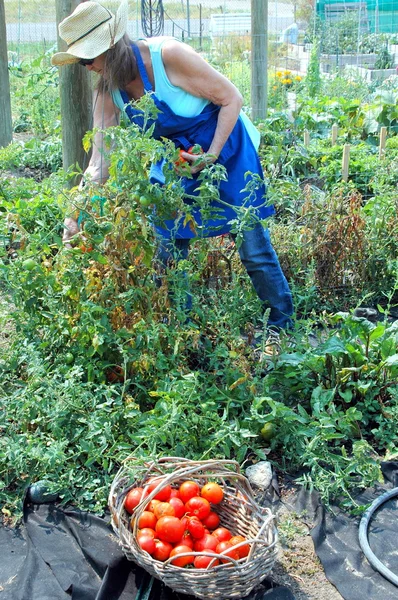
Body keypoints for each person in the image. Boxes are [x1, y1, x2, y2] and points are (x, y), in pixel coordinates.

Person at [52, 0, 293, 353]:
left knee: (251, 244)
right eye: (82, 60)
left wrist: (209, 156)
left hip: (226, 150)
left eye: (88, 58)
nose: (87, 67)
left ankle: (281, 328)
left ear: (110, 46)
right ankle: (185, 337)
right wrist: (75, 215)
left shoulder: (169, 56)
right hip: (177, 160)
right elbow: (98, 164)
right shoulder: (108, 91)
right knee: (167, 249)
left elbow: (232, 99)